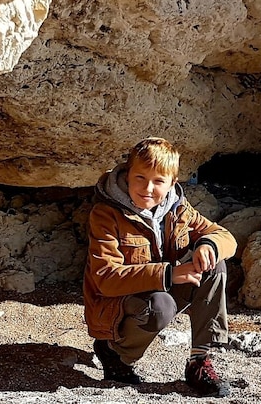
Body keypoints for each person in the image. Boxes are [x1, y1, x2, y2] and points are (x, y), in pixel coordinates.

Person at [83, 137, 237, 396]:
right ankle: (114, 353)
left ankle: (199, 361)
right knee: (160, 307)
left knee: (215, 266)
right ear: (128, 174)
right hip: (117, 303)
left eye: (158, 181)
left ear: (171, 183)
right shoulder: (106, 214)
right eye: (140, 178)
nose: (148, 188)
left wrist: (207, 245)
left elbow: (225, 237)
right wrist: (170, 273)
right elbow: (105, 277)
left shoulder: (176, 208)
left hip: (161, 289)